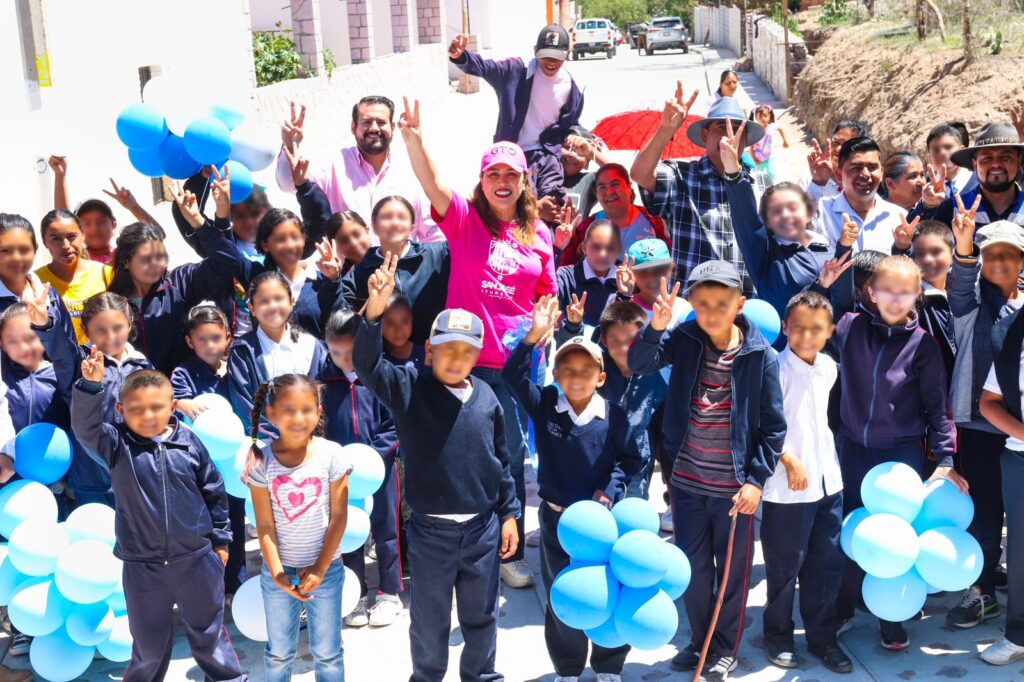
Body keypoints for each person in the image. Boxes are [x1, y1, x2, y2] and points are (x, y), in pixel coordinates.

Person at [401, 98, 556, 588]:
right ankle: (459, 551)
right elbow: (431, 185)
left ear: (524, 180)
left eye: (512, 174)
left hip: (514, 366)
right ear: (483, 181)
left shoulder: (541, 236)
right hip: (462, 363)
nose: (503, 182)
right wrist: (415, 141)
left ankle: (507, 553)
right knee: (456, 455)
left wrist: (544, 326)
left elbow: (546, 295)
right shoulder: (466, 220)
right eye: (494, 174)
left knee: (508, 458)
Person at [353, 255, 520, 682]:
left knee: (481, 616)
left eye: (466, 351)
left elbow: (501, 460)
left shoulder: (486, 396)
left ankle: (481, 675)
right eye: (447, 349)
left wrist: (509, 514)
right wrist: (374, 310)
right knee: (428, 621)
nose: (456, 359)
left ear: (477, 356)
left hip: (482, 529)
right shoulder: (409, 388)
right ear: (430, 350)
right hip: (431, 533)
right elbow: (368, 367)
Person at [628, 261, 786, 679]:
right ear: (691, 305)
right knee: (693, 571)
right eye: (702, 303)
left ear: (740, 304)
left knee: (732, 574)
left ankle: (724, 647)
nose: (712, 311)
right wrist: (655, 327)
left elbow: (773, 427)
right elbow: (639, 363)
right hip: (687, 481)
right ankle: (701, 639)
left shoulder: (760, 356)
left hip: (734, 488)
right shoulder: (684, 338)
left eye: (722, 302)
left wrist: (756, 481)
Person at [818, 251, 967, 650]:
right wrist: (823, 287)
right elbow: (808, 323)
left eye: (906, 292)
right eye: (888, 290)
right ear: (871, 291)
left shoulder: (924, 346)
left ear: (917, 294)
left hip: (899, 456)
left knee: (893, 539)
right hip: (852, 449)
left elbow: (938, 408)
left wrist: (947, 459)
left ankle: (890, 617)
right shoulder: (848, 327)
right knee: (849, 532)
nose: (896, 299)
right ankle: (843, 608)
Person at [71, 366, 244, 682]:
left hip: (197, 560)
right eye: (136, 409)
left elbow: (214, 491)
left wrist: (220, 541)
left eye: (157, 407)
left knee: (209, 636)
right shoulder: (116, 446)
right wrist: (90, 387)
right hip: (143, 567)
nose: (148, 415)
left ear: (173, 406)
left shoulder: (189, 444)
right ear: (121, 410)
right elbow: (85, 428)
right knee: (148, 646)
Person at [502, 296, 642, 682]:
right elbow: (511, 375)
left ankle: (609, 665)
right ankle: (567, 667)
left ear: (600, 376)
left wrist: (608, 490)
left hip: (602, 524)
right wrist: (532, 336)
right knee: (563, 595)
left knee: (607, 592)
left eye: (586, 369)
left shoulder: (612, 415)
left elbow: (630, 460)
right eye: (567, 368)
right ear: (556, 374)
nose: (576, 376)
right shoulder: (546, 404)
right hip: (557, 521)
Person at [760, 291, 852, 674]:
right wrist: (786, 457)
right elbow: (759, 423)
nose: (806, 336)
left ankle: (822, 637)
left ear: (829, 331)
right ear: (785, 327)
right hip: (787, 488)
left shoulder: (829, 367)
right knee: (784, 568)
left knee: (826, 565)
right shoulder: (772, 369)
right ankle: (778, 635)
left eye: (816, 329)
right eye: (798, 327)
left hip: (828, 482)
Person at [945, 215, 1024, 629]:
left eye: (1009, 254)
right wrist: (963, 251)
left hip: (1020, 431)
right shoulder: (972, 304)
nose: (999, 262)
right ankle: (982, 593)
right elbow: (957, 288)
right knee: (985, 514)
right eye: (991, 254)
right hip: (979, 425)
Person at [247, 373, 352, 681]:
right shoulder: (260, 462)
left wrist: (320, 568)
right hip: (279, 573)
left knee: (328, 652)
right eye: (288, 410)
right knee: (279, 652)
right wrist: (278, 573)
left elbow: (339, 516)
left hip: (327, 571)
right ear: (271, 414)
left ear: (319, 411)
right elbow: (264, 524)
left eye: (306, 409)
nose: (298, 417)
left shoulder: (332, 453)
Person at [630, 88, 768, 294]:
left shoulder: (761, 182)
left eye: (738, 128)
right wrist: (666, 130)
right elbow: (640, 174)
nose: (730, 135)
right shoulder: (682, 176)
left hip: (747, 304)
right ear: (705, 135)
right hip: (693, 306)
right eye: (722, 126)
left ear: (746, 140)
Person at [317, 309, 401, 628]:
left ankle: (389, 592)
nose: (345, 360)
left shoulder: (379, 376)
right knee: (348, 533)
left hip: (380, 470)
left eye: (352, 352)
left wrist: (374, 457)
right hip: (341, 475)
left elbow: (394, 424)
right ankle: (354, 595)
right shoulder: (323, 381)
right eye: (337, 353)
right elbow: (319, 427)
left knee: (386, 529)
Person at [30, 290, 152, 506]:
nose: (111, 337)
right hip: (91, 478)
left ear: (130, 323)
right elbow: (61, 352)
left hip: (135, 475)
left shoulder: (142, 364)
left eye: (118, 328)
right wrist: (45, 325)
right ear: (86, 330)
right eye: (101, 330)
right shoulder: (80, 362)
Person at [107, 180, 240, 374]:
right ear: (126, 261)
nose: (156, 264)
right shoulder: (115, 301)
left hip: (182, 391)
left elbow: (228, 261)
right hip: (138, 396)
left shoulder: (180, 283)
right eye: (146, 258)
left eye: (160, 256)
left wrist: (198, 221)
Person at [447, 25, 585, 206]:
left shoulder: (572, 87)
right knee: (510, 210)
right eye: (545, 55)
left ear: (567, 53)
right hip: (512, 156)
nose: (551, 62)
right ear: (535, 51)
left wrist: (578, 139)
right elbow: (485, 67)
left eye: (557, 57)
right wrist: (461, 57)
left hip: (547, 156)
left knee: (552, 205)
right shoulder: (515, 72)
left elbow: (570, 124)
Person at [276, 97, 439, 243]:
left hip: (402, 273)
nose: (374, 128)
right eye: (366, 122)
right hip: (349, 275)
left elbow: (432, 231)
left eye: (381, 122)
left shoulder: (411, 169)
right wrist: (290, 145)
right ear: (353, 127)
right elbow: (288, 184)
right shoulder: (333, 164)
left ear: (393, 128)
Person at [719, 120, 832, 325]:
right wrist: (733, 173)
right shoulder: (766, 257)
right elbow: (746, 218)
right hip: (783, 351)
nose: (787, 215)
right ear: (767, 223)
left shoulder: (829, 249)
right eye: (777, 211)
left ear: (808, 213)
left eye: (793, 207)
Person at [170, 302, 246, 597]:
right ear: (190, 341)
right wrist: (179, 403)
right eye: (202, 339)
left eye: (216, 337)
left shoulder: (237, 368)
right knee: (206, 527)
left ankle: (235, 585)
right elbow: (170, 404)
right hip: (200, 468)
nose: (209, 344)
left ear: (228, 336)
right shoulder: (183, 374)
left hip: (235, 463)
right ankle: (206, 587)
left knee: (235, 523)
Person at [335, 195, 450, 345]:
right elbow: (341, 319)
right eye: (387, 217)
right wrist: (332, 279)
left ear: (412, 227)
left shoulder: (438, 254)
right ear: (374, 226)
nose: (395, 223)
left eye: (402, 217)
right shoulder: (362, 269)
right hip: (385, 362)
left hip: (432, 357)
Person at [228, 271, 328, 440]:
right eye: (264, 301)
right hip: (266, 445)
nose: (273, 305)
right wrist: (280, 439)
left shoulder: (312, 347)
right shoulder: (243, 351)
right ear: (251, 308)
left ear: (292, 302)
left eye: (279, 298)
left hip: (311, 444)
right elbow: (244, 406)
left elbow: (324, 399)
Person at [978, 302, 1024, 665]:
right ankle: (1018, 635)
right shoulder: (1012, 335)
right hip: (1020, 458)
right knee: (1021, 554)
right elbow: (989, 403)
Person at [596, 301, 667, 500]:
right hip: (599, 463)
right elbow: (575, 355)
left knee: (632, 520)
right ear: (603, 340)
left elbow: (664, 425)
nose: (624, 348)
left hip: (637, 467)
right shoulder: (596, 370)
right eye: (615, 340)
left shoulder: (654, 375)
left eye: (631, 340)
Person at [234, 205, 338, 339]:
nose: (290, 245)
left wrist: (334, 280)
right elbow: (226, 253)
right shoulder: (256, 276)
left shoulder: (323, 281)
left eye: (295, 237)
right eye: (280, 239)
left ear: (304, 239)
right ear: (265, 244)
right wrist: (218, 216)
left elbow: (339, 326)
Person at [49, 156, 164, 264]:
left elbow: (158, 235)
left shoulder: (125, 256)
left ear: (113, 225)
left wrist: (134, 207)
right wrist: (60, 176)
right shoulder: (79, 259)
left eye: (101, 221)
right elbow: (63, 222)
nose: (95, 228)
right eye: (87, 223)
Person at [912, 121, 1024, 229]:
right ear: (975, 164)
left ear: (1019, 161)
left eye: (1005, 157)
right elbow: (913, 240)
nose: (995, 164)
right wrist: (928, 206)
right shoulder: (953, 208)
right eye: (987, 158)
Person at [558, 163, 670, 266]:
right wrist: (569, 240)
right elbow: (568, 268)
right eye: (602, 187)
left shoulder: (654, 220)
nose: (609, 192)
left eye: (615, 184)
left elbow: (671, 260)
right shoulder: (587, 227)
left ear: (629, 187)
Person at [813, 137, 906, 254]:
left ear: (881, 173)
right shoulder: (822, 210)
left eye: (872, 168)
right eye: (856, 168)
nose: (865, 174)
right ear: (838, 174)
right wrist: (818, 183)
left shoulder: (898, 217)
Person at [35, 209, 113, 344]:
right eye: (55, 239)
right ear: (45, 242)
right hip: (58, 363)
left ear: (83, 235)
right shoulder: (35, 281)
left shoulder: (106, 274)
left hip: (102, 360)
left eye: (71, 236)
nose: (65, 245)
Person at [897, 220, 957, 381]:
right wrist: (901, 248)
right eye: (920, 253)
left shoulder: (964, 292)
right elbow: (897, 279)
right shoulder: (913, 297)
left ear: (952, 253)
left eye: (936, 251)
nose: (928, 259)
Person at [0, 214, 75, 341]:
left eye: (24, 250)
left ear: (35, 249)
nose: (16, 258)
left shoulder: (50, 297)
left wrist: (46, 326)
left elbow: (71, 356)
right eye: (5, 251)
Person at [556, 220, 621, 328]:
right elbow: (546, 289)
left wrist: (625, 295)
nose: (603, 254)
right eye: (596, 247)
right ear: (584, 248)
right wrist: (557, 249)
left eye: (610, 248)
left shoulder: (627, 282)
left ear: (619, 251)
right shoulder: (566, 276)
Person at [805, 119, 870, 204]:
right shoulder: (809, 180)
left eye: (847, 145)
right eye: (835, 142)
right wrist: (818, 184)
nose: (838, 149)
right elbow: (800, 213)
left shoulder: (864, 183)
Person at [925, 122, 977, 197]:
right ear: (930, 158)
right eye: (936, 150)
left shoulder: (980, 182)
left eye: (948, 147)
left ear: (962, 150)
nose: (942, 153)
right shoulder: (926, 191)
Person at [742, 104, 789, 182]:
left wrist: (785, 141)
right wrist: (754, 160)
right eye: (759, 117)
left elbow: (780, 129)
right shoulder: (756, 131)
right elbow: (751, 148)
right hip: (758, 159)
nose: (762, 119)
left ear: (769, 115)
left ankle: (775, 189)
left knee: (772, 175)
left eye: (765, 116)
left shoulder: (772, 126)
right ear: (756, 118)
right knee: (758, 178)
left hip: (769, 157)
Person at [381, 293, 426, 371]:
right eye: (391, 323)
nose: (398, 330)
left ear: (411, 319)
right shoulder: (377, 358)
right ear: (380, 325)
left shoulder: (426, 354)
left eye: (404, 321)